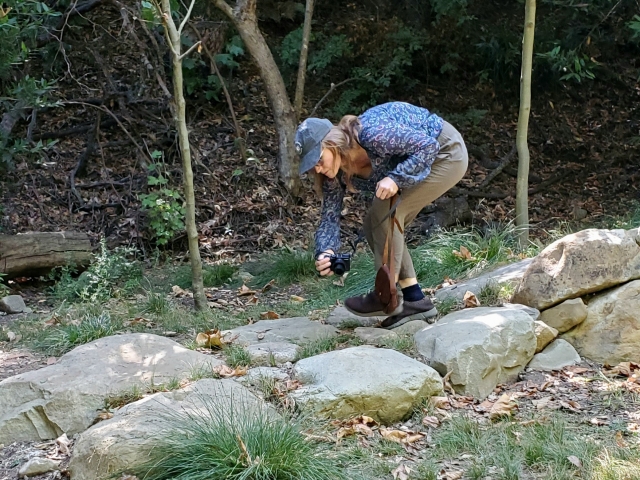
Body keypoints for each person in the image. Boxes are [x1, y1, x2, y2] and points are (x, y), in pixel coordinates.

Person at [294, 101, 468, 329]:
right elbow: (329, 215)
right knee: (373, 223)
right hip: (426, 157)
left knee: (383, 212)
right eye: (311, 166)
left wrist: (396, 178)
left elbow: (427, 147)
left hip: (445, 152)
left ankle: (385, 295)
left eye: (318, 160)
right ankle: (415, 300)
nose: (317, 169)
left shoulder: (372, 134)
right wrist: (326, 250)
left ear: (333, 144)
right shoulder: (333, 172)